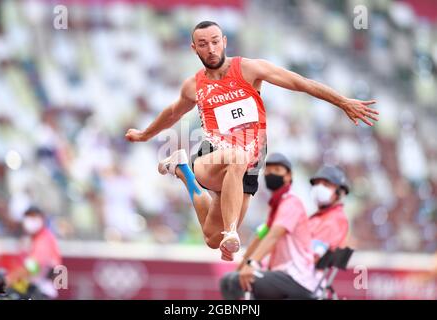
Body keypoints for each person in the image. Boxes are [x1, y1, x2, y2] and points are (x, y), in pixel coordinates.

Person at [125, 21, 379, 260]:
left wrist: (343, 102)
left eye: (215, 42)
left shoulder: (249, 69)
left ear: (224, 41)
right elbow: (172, 113)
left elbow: (301, 83)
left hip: (250, 161)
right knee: (236, 158)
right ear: (194, 48)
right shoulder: (194, 86)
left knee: (212, 239)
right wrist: (145, 134)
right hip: (212, 155)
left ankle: (182, 170)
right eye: (203, 44)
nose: (210, 49)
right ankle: (231, 230)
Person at [220, 153, 317, 299]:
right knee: (230, 280)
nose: (271, 173)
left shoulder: (291, 203)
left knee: (239, 281)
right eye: (268, 170)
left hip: (297, 278)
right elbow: (261, 236)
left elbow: (274, 235)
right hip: (281, 275)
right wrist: (242, 265)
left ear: (288, 176)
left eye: (277, 170)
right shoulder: (275, 207)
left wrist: (251, 263)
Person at [6, 206, 62, 299]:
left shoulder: (44, 239)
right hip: (30, 289)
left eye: (34, 217)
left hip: (40, 291)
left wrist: (8, 280)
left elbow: (33, 268)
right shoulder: (30, 240)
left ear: (42, 219)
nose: (30, 221)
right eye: (28, 217)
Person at [308, 166, 350, 260]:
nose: (319, 188)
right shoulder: (319, 217)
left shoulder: (335, 220)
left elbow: (313, 257)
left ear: (340, 192)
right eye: (316, 184)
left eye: (326, 185)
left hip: (306, 272)